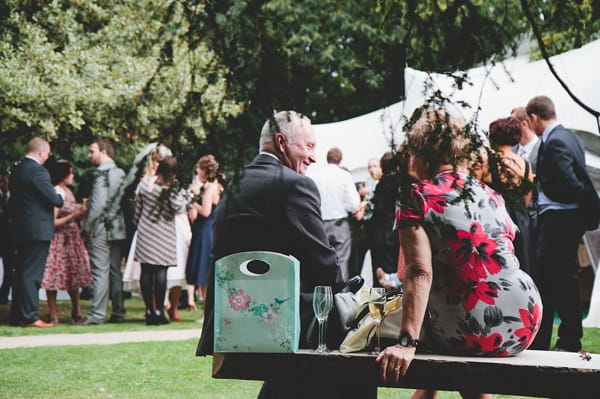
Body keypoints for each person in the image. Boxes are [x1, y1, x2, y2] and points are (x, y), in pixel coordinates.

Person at [197, 111, 375, 399]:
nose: (314, 157)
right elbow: (325, 267)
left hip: (231, 318)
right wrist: (347, 292)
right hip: (280, 319)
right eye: (308, 146)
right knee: (364, 342)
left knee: (299, 375)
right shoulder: (294, 184)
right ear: (281, 142)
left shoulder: (234, 186)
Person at [375, 107, 542, 399]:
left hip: (468, 322)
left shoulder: (416, 195)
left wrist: (406, 342)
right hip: (524, 320)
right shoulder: (491, 194)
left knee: (444, 332)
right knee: (463, 380)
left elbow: (418, 271)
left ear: (422, 153)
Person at [526, 95, 600, 353]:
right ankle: (547, 339)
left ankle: (568, 339)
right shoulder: (568, 136)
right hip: (564, 218)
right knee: (554, 279)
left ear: (535, 118)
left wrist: (554, 200)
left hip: (560, 218)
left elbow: (571, 183)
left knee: (558, 279)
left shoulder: (556, 141)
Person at [122, 145, 190, 322]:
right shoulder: (170, 188)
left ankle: (149, 311)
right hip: (164, 233)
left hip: (145, 231)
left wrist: (138, 224)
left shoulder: (145, 184)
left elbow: (138, 211)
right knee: (161, 272)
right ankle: (159, 311)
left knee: (146, 271)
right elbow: (179, 208)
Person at [8, 137, 64, 327]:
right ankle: (30, 316)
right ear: (40, 152)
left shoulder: (16, 170)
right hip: (37, 229)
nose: (47, 158)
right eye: (47, 154)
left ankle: (17, 315)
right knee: (32, 274)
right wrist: (60, 196)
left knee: (21, 272)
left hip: (21, 228)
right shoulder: (38, 171)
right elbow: (52, 199)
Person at [82, 138, 127, 325]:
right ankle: (118, 312)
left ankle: (96, 315)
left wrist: (90, 227)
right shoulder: (121, 173)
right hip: (118, 227)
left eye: (92, 151)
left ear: (104, 152)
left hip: (100, 228)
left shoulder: (101, 174)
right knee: (115, 271)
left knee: (100, 270)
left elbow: (98, 204)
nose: (89, 155)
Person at [42, 160, 93, 325]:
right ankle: (53, 313)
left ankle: (76, 312)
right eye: (70, 172)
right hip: (59, 240)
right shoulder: (57, 192)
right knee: (54, 277)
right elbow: (52, 221)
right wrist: (73, 215)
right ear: (62, 175)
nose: (73, 175)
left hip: (72, 238)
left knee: (74, 276)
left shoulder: (69, 192)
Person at [483, 117, 535, 275]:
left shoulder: (485, 163)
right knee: (521, 266)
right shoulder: (525, 165)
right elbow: (526, 200)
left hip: (494, 220)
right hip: (519, 220)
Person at [308, 147, 361, 283]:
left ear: (327, 159)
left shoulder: (315, 175)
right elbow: (354, 204)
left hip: (319, 223)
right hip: (340, 223)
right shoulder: (344, 175)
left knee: (320, 260)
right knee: (342, 261)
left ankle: (322, 292)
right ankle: (340, 296)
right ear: (340, 159)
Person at [185, 154, 223, 311]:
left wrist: (191, 199)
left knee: (204, 272)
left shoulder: (211, 187)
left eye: (199, 169)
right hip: (203, 229)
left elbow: (206, 212)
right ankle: (205, 312)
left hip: (205, 230)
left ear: (204, 170)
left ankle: (207, 312)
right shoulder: (212, 186)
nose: (197, 171)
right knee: (202, 273)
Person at [370, 151, 402, 288]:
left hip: (381, 234)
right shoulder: (401, 183)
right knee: (395, 270)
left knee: (382, 274)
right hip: (396, 233)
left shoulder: (383, 184)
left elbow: (378, 210)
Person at [0, 172, 15, 304]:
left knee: (9, 269)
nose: (3, 185)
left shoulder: (14, 198)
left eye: (5, 182)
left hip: (8, 240)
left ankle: (3, 295)